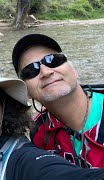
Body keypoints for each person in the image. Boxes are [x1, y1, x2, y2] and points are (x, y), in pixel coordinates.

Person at [11, 33, 104, 168]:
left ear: (74, 70)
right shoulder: (38, 132)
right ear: (27, 91)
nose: (46, 72)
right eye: (31, 71)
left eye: (53, 60)